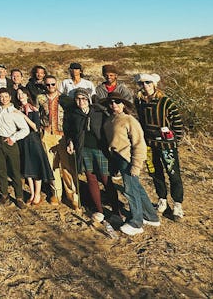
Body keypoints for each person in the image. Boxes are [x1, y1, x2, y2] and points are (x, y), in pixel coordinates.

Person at [102, 92, 161, 235]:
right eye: (111, 102)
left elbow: (139, 144)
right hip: (116, 157)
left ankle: (136, 222)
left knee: (130, 190)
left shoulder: (130, 120)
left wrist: (136, 165)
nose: (114, 105)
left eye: (117, 102)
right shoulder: (109, 119)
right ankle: (151, 216)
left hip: (127, 159)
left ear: (123, 104)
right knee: (137, 188)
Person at [134, 73, 185, 221]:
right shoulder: (140, 102)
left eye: (148, 83)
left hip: (167, 146)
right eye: (142, 84)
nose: (145, 86)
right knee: (155, 173)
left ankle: (177, 204)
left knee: (173, 173)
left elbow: (177, 122)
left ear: (154, 84)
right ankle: (162, 199)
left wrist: (175, 139)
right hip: (149, 145)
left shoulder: (166, 102)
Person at [64, 88, 119, 221]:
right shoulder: (73, 114)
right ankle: (99, 210)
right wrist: (70, 141)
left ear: (88, 99)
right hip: (84, 149)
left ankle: (116, 211)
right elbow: (69, 131)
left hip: (101, 150)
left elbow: (110, 128)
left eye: (83, 98)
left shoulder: (99, 112)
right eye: (78, 99)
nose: (81, 101)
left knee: (106, 180)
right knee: (91, 179)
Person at [37, 75, 78, 208]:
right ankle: (56, 193)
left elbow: (72, 118)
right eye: (47, 85)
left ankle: (72, 195)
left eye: (53, 84)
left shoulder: (65, 99)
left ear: (57, 84)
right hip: (47, 134)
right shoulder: (40, 98)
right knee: (52, 165)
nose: (50, 87)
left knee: (67, 166)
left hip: (62, 136)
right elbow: (38, 115)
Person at [15, 88, 55, 206]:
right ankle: (32, 193)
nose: (21, 96)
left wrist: (23, 116)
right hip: (22, 141)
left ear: (27, 95)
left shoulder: (33, 109)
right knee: (28, 168)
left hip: (33, 141)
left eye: (23, 94)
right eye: (19, 94)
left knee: (36, 168)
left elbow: (35, 127)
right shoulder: (18, 109)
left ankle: (38, 194)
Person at [0, 89, 29, 209]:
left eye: (6, 96)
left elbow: (25, 129)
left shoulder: (14, 112)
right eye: (1, 96)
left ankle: (19, 197)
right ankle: (4, 194)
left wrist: (13, 138)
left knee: (14, 171)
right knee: (1, 169)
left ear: (10, 98)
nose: (3, 99)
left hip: (10, 143)